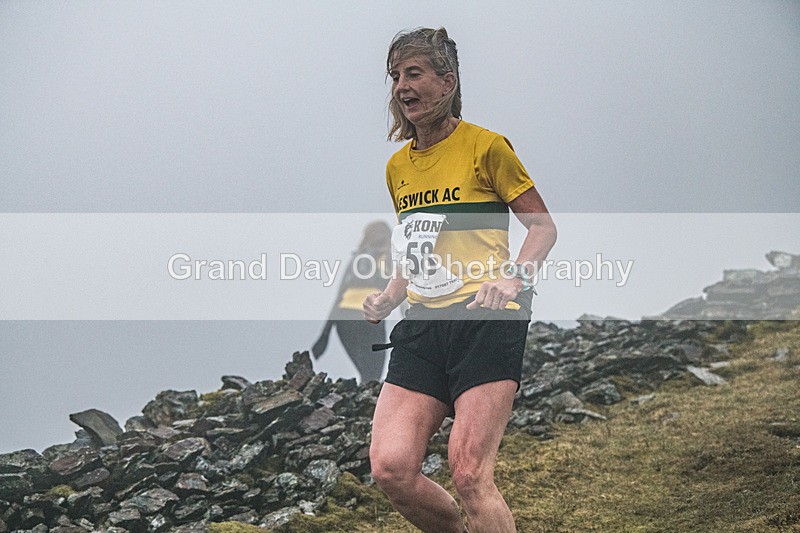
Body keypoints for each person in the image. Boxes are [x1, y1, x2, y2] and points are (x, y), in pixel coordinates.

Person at [363, 28, 557, 532]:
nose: (402, 87)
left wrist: (515, 279)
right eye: (395, 76)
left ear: (447, 81)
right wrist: (390, 295)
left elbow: (542, 226)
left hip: (487, 317)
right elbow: (418, 247)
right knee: (391, 468)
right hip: (424, 324)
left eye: (414, 74)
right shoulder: (398, 168)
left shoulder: (487, 147)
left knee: (469, 473)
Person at [311, 220, 391, 383]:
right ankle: (369, 405)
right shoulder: (389, 257)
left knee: (367, 373)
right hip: (370, 317)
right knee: (373, 375)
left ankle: (362, 402)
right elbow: (396, 289)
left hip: (344, 319)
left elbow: (340, 295)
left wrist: (325, 334)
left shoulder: (358, 257)